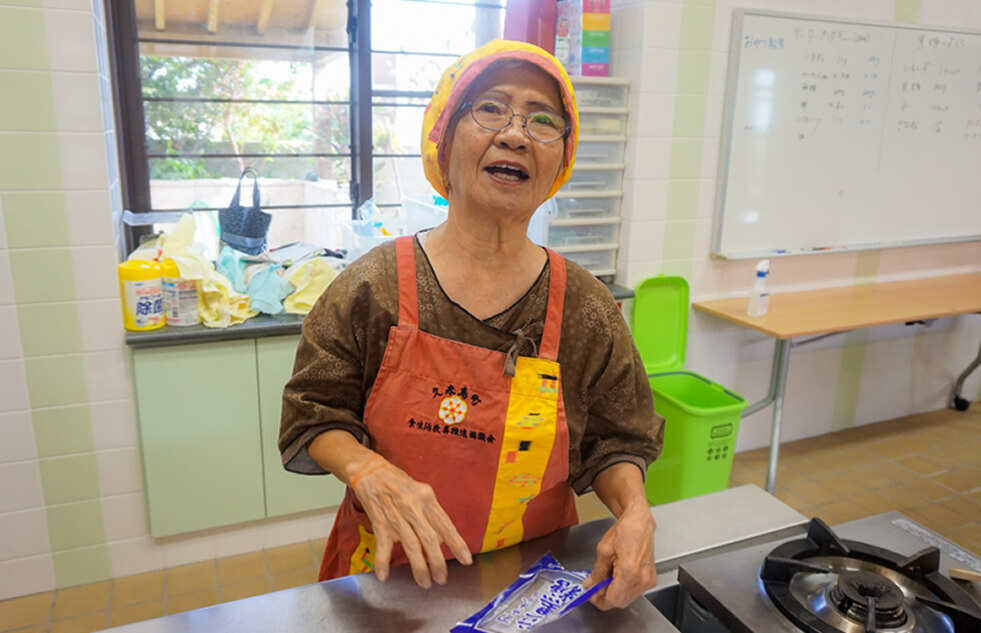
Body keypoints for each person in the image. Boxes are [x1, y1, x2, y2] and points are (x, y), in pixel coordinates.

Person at [279, 39, 664, 610]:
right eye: (490, 108)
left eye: (542, 120)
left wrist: (635, 512)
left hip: (527, 586)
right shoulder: (371, 287)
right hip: (387, 582)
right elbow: (313, 414)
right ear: (444, 136)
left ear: (561, 158)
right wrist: (365, 468)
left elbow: (618, 439)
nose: (515, 134)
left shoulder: (585, 306)